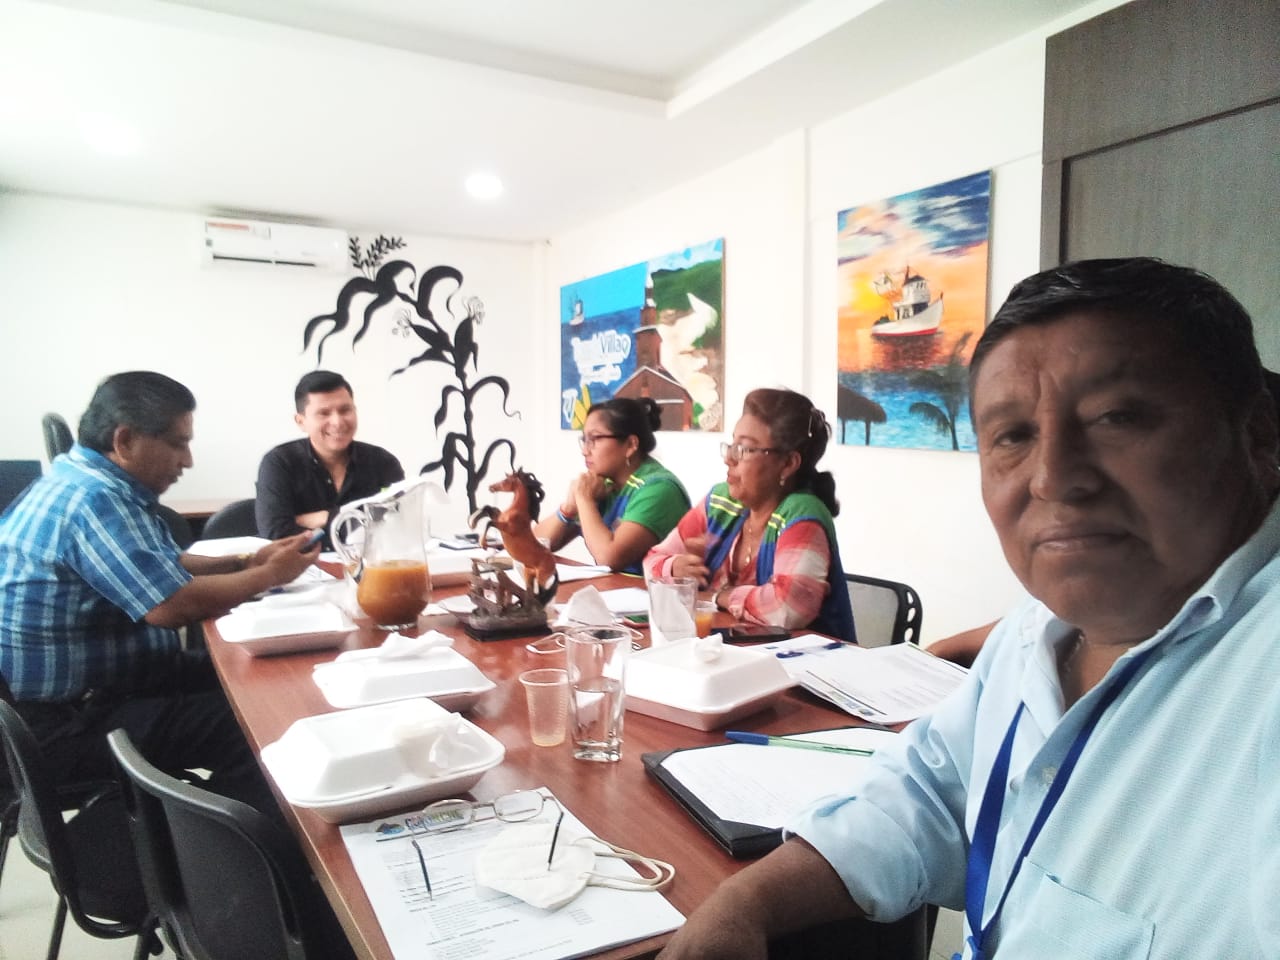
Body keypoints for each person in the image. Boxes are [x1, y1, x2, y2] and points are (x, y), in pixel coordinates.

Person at [657, 258, 1280, 960]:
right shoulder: (1038, 628)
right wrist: (745, 902)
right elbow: (927, 791)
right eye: (1013, 435)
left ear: (1257, 435)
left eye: (1117, 418)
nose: (1054, 478)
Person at [0, 371, 320, 809]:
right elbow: (170, 606)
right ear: (125, 440)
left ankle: (215, 824)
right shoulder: (94, 501)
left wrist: (248, 561)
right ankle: (215, 842)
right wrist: (270, 575)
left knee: (258, 675)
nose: (187, 461)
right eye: (177, 443)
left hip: (95, 693)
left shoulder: (80, 479)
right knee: (263, 724)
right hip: (68, 726)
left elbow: (157, 563)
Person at [644, 387, 855, 641]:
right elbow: (652, 562)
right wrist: (675, 567)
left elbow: (786, 608)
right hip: (731, 651)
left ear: (788, 463)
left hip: (806, 660)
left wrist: (718, 596)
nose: (729, 458)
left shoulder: (802, 513)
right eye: (731, 445)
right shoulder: (721, 502)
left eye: (744, 449)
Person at [534, 396, 689, 575]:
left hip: (656, 592)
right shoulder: (603, 485)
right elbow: (535, 545)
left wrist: (584, 499)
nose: (585, 451)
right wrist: (568, 509)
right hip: (616, 589)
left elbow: (609, 559)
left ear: (630, 445)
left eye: (594, 439)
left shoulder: (659, 489)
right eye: (584, 440)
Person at [255, 370, 404, 545]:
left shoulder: (383, 463)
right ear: (301, 422)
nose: (338, 422)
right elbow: (275, 533)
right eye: (324, 413)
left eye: (345, 410)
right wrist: (352, 521)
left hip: (369, 562)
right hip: (304, 563)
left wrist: (325, 518)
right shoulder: (279, 463)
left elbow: (396, 528)